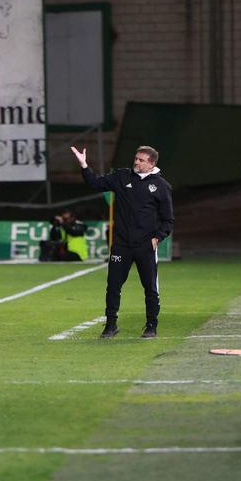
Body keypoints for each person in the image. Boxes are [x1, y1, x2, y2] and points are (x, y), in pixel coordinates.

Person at [71, 144, 174, 339]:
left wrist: (158, 237)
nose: (136, 162)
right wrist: (84, 165)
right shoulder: (122, 177)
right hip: (121, 244)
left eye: (141, 160)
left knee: (150, 287)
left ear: (152, 164)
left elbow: (168, 219)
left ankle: (151, 325)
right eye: (136, 158)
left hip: (145, 245)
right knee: (113, 285)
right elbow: (95, 183)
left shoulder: (161, 186)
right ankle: (111, 325)